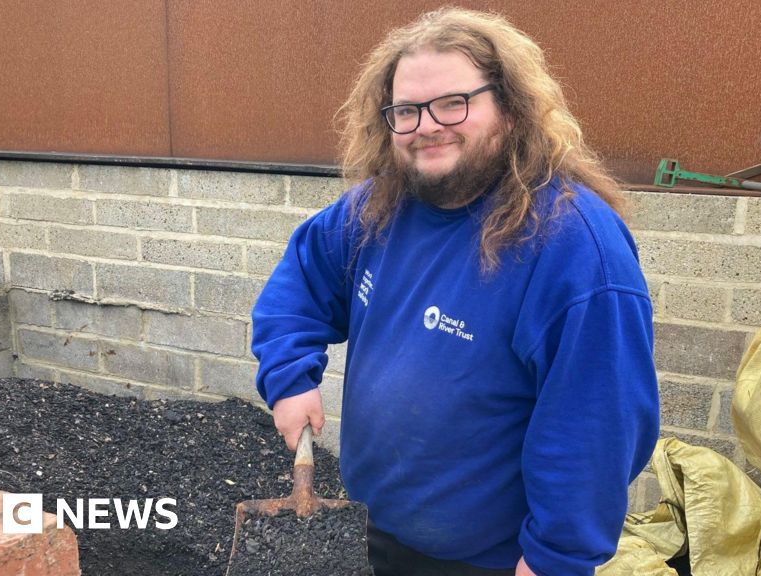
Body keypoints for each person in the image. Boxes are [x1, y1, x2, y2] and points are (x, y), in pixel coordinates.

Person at [251, 8, 659, 576]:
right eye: (406, 110)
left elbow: (596, 428)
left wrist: (555, 559)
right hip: (372, 528)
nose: (426, 125)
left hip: (489, 560)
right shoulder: (376, 207)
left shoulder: (572, 246)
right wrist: (289, 376)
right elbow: (299, 285)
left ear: (511, 109)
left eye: (453, 103)